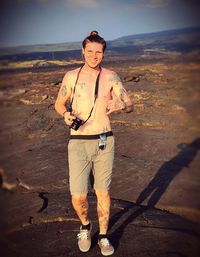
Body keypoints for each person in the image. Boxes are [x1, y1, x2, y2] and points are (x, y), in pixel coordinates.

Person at [55, 31, 133, 256]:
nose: (94, 55)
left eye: (98, 52)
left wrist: (120, 105)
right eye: (90, 51)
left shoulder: (111, 76)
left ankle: (103, 236)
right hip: (78, 141)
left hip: (103, 140)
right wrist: (65, 115)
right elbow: (59, 103)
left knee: (102, 192)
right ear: (83, 51)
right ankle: (86, 227)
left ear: (104, 53)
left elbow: (129, 103)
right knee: (78, 195)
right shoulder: (71, 76)